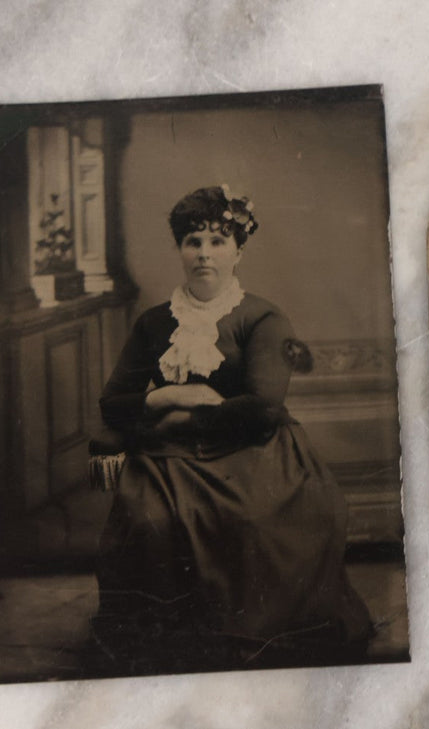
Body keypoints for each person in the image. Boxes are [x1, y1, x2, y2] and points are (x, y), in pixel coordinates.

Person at [91, 186, 371, 672]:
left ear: (238, 251)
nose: (204, 254)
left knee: (252, 524)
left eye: (217, 242)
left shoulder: (262, 317)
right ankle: (168, 645)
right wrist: (175, 395)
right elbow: (113, 404)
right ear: (180, 249)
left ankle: (244, 637)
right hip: (167, 459)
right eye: (193, 241)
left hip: (253, 454)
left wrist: (176, 416)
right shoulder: (154, 323)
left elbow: (261, 409)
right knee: (146, 523)